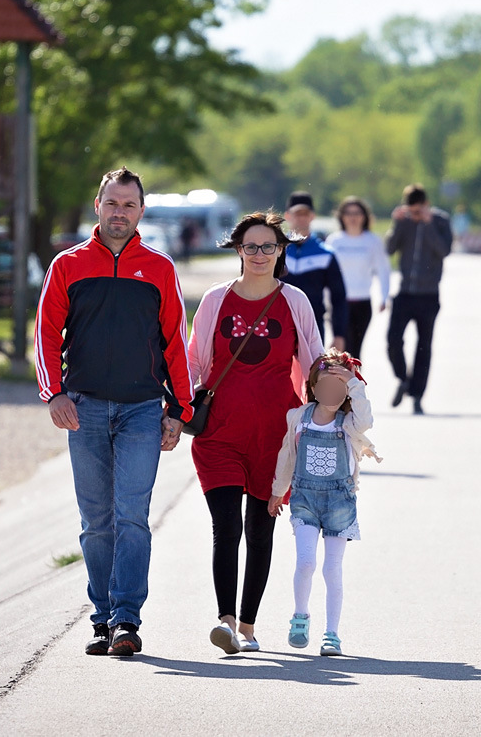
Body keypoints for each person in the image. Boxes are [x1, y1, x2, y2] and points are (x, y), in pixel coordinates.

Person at [35, 167, 192, 657]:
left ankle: (126, 618)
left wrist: (179, 409)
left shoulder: (160, 268)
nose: (119, 213)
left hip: (143, 410)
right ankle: (101, 618)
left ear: (141, 211)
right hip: (82, 409)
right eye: (112, 203)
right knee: (96, 521)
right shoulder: (67, 265)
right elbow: (45, 333)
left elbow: (175, 343)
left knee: (132, 516)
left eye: (129, 205)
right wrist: (53, 393)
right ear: (96, 206)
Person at [187, 212, 326, 654]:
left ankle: (248, 627)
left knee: (259, 530)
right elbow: (195, 361)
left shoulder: (295, 301)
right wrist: (181, 407)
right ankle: (225, 622)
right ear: (238, 250)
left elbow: (315, 363)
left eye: (269, 246)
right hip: (221, 434)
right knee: (225, 526)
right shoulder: (214, 299)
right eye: (251, 246)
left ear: (281, 250)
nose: (260, 254)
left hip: (276, 438)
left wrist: (330, 413)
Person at [269, 349, 380, 657]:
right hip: (305, 500)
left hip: (338, 504)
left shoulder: (349, 424)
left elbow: (367, 419)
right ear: (314, 386)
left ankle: (332, 633)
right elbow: (287, 457)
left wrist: (354, 382)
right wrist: (279, 490)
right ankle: (300, 617)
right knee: (306, 562)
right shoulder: (299, 418)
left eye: (340, 386)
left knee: (333, 569)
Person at [385, 183, 453, 415]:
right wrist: (397, 224)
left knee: (424, 347)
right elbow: (390, 248)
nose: (414, 215)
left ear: (426, 206)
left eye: (418, 211)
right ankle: (403, 379)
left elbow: (444, 250)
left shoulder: (441, 221)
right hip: (405, 292)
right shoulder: (403, 221)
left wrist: (428, 224)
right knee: (393, 339)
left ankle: (417, 396)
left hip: (429, 294)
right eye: (411, 211)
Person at [281, 191, 348, 352]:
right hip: (278, 323)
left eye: (305, 214)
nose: (301, 218)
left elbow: (338, 297)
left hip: (313, 324)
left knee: (311, 374)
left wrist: (339, 334)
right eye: (297, 214)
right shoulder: (275, 250)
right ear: (288, 216)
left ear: (312, 216)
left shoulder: (326, 254)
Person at [327, 196, 391, 360]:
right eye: (348, 213)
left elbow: (383, 269)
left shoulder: (372, 241)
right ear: (342, 216)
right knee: (342, 349)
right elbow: (326, 274)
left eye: (357, 213)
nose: (353, 217)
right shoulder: (335, 241)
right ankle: (340, 384)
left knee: (355, 349)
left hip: (362, 303)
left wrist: (384, 296)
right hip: (339, 303)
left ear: (364, 216)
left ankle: (355, 384)